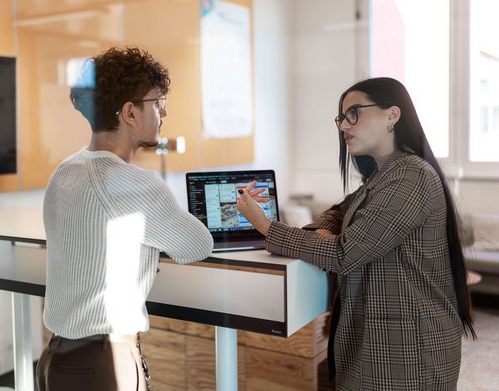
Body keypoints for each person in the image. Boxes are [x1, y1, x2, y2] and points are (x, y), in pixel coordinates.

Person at [236, 77, 475, 390]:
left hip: (408, 352)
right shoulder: (383, 176)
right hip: (383, 344)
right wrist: (324, 229)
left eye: (354, 114)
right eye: (341, 118)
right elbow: (340, 210)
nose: (343, 126)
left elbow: (345, 253)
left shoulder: (410, 175)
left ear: (392, 115)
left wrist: (267, 226)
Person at [36, 46, 214, 391]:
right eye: (156, 101)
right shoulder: (137, 184)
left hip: (55, 359)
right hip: (103, 364)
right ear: (130, 112)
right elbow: (198, 244)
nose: (163, 111)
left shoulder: (64, 170)